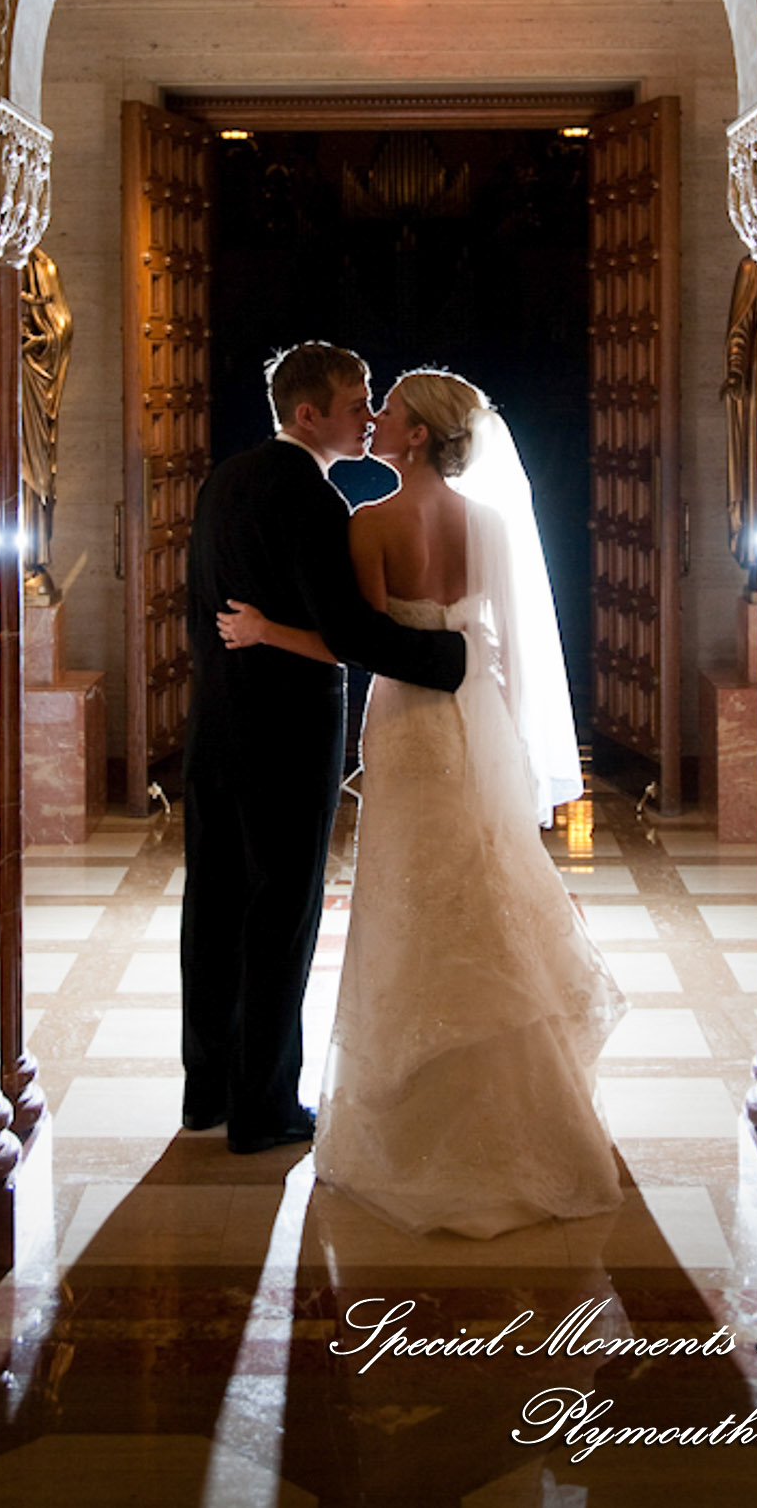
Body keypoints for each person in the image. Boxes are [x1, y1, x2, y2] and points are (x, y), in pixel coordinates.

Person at [218, 369, 625, 1237]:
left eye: (391, 409)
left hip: (407, 726)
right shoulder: (489, 524)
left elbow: (357, 643)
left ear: (416, 436)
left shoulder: (371, 522)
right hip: (476, 721)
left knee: (407, 900)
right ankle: (524, 1100)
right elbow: (493, 646)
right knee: (482, 885)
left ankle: (415, 1120)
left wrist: (263, 630)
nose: (375, 418)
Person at [181, 342, 466, 1156]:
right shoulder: (311, 498)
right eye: (356, 403)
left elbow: (202, 610)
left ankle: (207, 1090)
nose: (369, 416)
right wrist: (454, 659)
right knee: (282, 911)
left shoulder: (223, 479)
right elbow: (352, 636)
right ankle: (265, 1106)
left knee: (214, 905)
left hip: (215, 726)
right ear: (308, 415)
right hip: (286, 734)